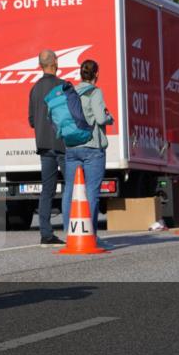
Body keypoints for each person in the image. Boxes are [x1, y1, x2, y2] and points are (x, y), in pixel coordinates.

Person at [59, 60, 113, 243]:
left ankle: (69, 232)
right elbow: (100, 117)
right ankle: (91, 235)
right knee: (91, 191)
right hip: (92, 147)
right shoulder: (95, 92)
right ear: (96, 74)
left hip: (72, 146)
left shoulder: (70, 92)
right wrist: (109, 117)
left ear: (81, 74)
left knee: (70, 191)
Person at [28, 49, 66, 246]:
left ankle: (46, 233)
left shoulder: (34, 89)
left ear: (41, 65)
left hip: (43, 144)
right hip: (62, 144)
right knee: (72, 186)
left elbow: (32, 121)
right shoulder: (63, 86)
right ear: (55, 62)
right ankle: (75, 228)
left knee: (47, 190)